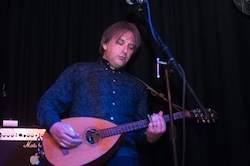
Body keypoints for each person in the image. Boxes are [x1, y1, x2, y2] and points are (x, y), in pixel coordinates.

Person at [37, 21, 166, 166]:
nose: (125, 50)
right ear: (105, 44)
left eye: (131, 47)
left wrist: (152, 136)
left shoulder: (137, 87)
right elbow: (47, 102)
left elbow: (141, 134)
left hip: (124, 157)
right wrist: (54, 125)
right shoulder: (79, 71)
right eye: (120, 43)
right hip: (80, 154)